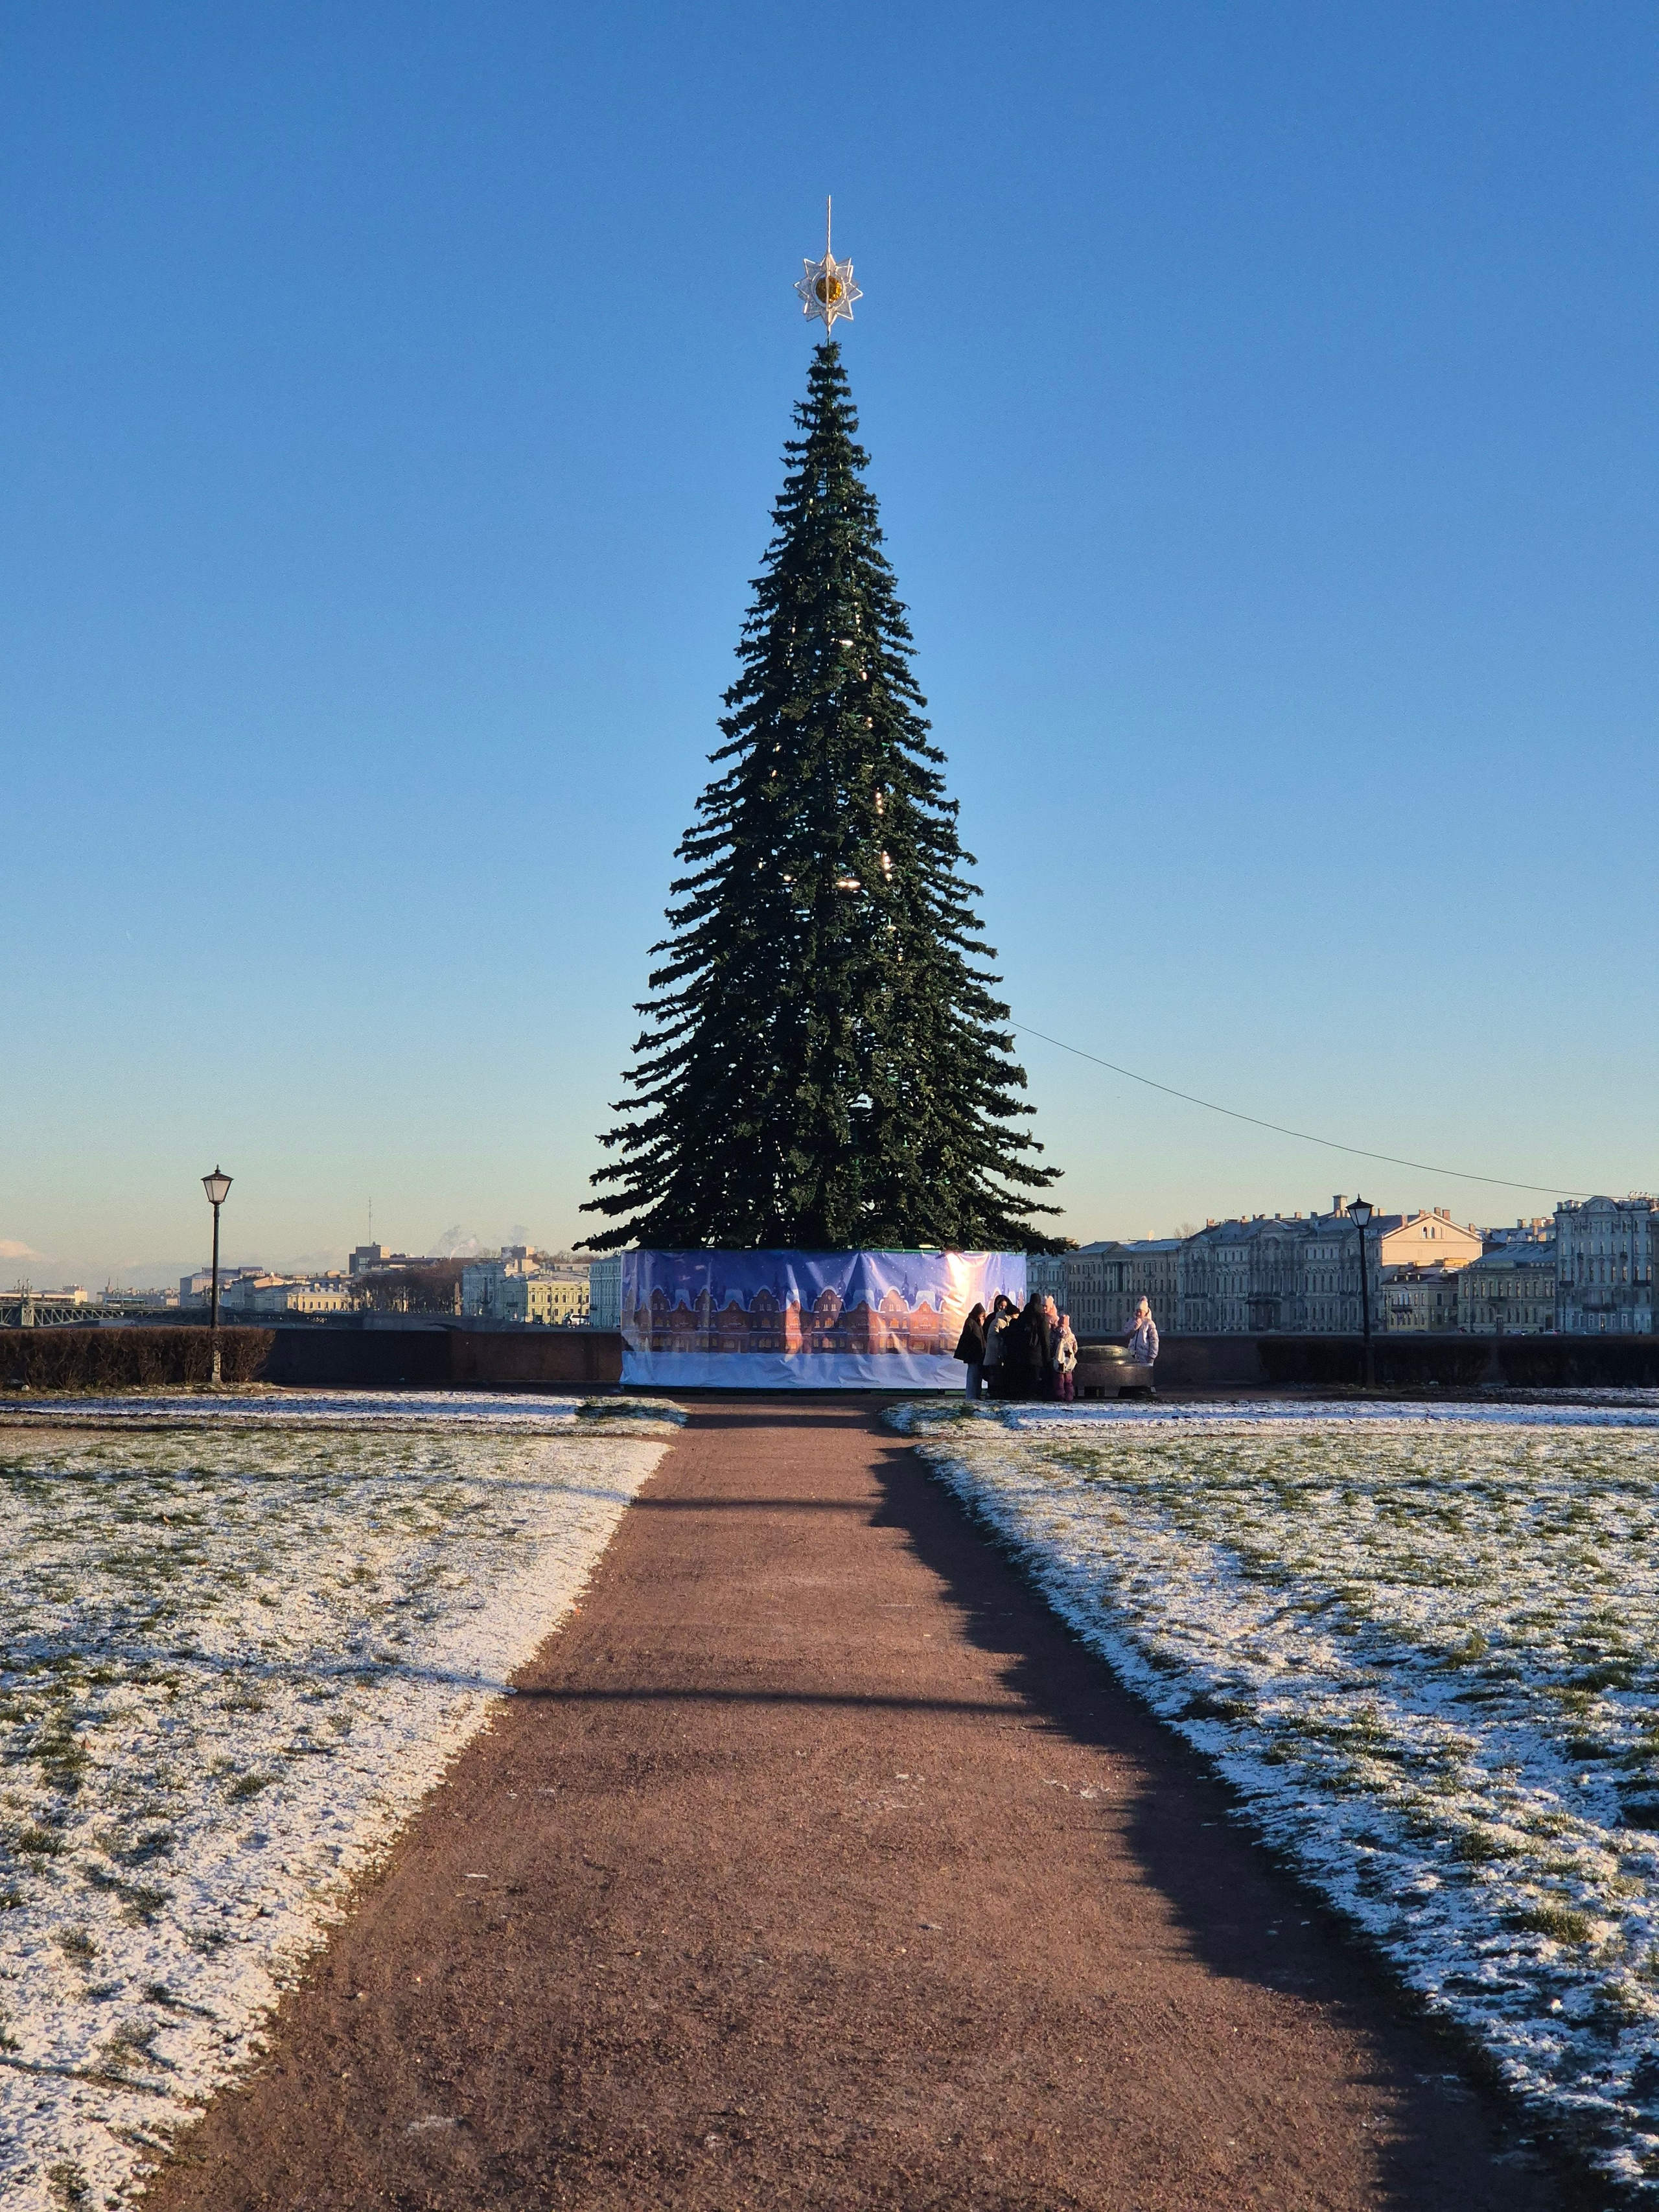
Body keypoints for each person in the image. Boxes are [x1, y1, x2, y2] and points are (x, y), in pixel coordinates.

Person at [953, 1302, 988, 1400]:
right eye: (981, 1316)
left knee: (977, 1377)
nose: (982, 1318)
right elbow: (968, 1337)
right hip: (973, 1355)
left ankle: (975, 1395)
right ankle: (971, 1397)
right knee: (973, 1377)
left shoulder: (976, 1323)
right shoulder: (971, 1322)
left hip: (977, 1355)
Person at [982, 1294, 1015, 1395]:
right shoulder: (993, 1319)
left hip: (1000, 1355)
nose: (1003, 1308)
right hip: (994, 1352)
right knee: (993, 1376)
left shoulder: (1008, 1319)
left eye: (1005, 1306)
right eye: (1001, 1306)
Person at [1127, 1296, 1159, 1369]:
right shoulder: (1134, 1323)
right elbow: (1129, 1334)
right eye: (1137, 1311)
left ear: (1145, 1312)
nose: (1138, 1314)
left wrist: (1152, 1356)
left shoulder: (1150, 1324)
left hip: (1145, 1357)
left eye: (1140, 1312)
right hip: (1133, 1357)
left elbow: (1154, 1341)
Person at [1052, 1309, 1078, 1402]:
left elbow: (1052, 1345)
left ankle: (1060, 1395)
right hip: (1068, 1360)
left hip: (1059, 1359)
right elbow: (1075, 1348)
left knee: (1059, 1379)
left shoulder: (1056, 1334)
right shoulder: (1071, 1335)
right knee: (1069, 1380)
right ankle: (1070, 1396)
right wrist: (1072, 1356)